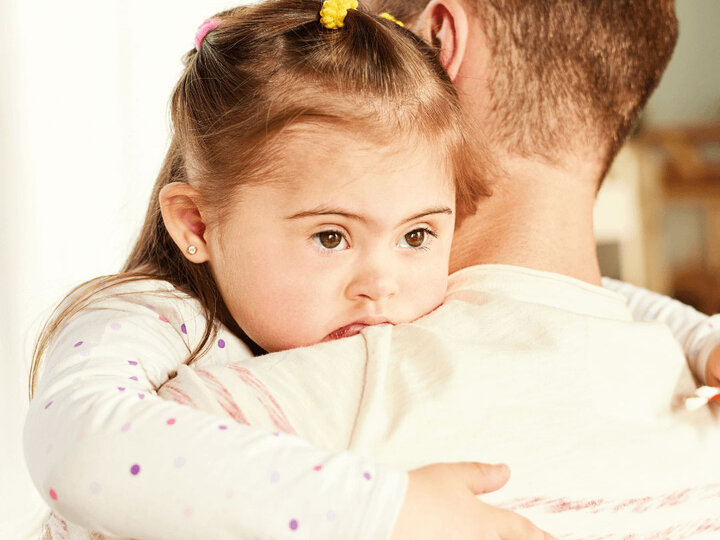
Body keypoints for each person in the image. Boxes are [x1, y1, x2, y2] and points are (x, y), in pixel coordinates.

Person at [23, 0, 720, 538]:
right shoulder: (154, 320)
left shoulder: (371, 330)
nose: (380, 283)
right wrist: (383, 506)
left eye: (418, 233)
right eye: (331, 236)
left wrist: (700, 337)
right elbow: (76, 442)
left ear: (441, 43)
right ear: (197, 226)